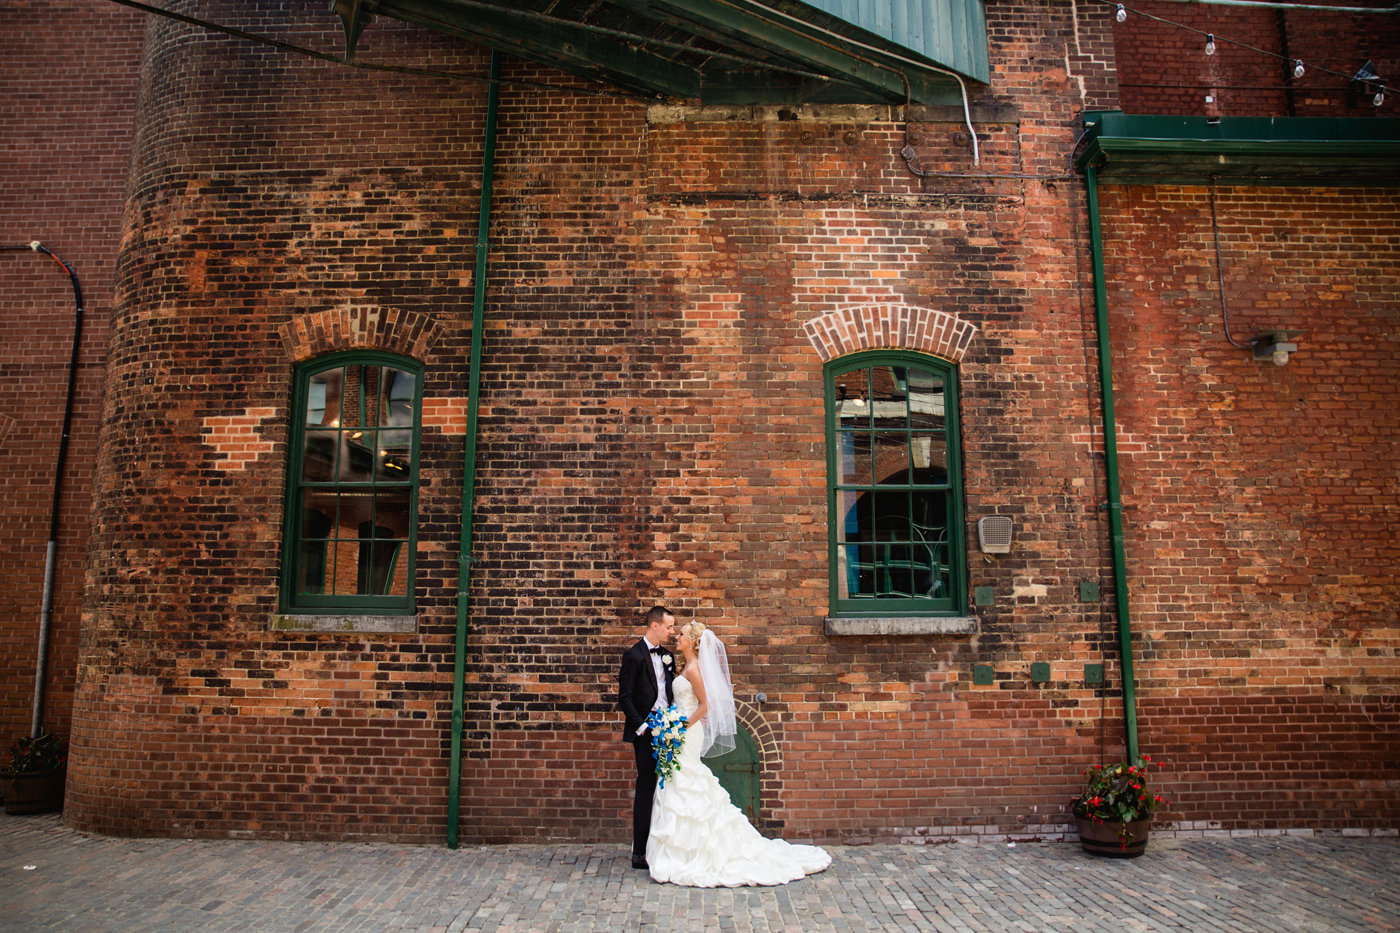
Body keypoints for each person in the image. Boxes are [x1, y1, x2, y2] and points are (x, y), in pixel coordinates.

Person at [646, 619, 831, 887]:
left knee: (685, 778)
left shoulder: (695, 669)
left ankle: (691, 850)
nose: (677, 636)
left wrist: (681, 725)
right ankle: (679, 848)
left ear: (693, 642)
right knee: (678, 778)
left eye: (682, 634)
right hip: (680, 728)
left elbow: (706, 705)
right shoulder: (686, 666)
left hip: (687, 731)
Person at [618, 605, 677, 869]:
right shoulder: (633, 656)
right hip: (646, 732)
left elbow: (669, 693)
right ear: (655, 625)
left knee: (670, 787)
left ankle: (665, 846)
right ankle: (639, 852)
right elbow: (625, 698)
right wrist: (642, 728)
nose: (672, 631)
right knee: (646, 788)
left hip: (669, 729)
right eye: (669, 626)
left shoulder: (668, 656)